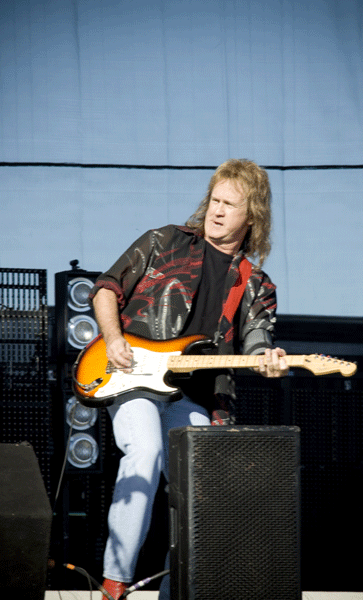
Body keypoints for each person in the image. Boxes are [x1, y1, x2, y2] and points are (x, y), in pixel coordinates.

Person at [90, 159, 289, 600]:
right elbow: (105, 289)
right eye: (214, 200)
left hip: (194, 397)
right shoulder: (164, 241)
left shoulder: (255, 284)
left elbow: (258, 338)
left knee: (207, 490)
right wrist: (113, 338)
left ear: (251, 216)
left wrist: (266, 358)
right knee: (146, 450)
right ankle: (115, 581)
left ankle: (176, 593)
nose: (216, 210)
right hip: (134, 377)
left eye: (229, 204)